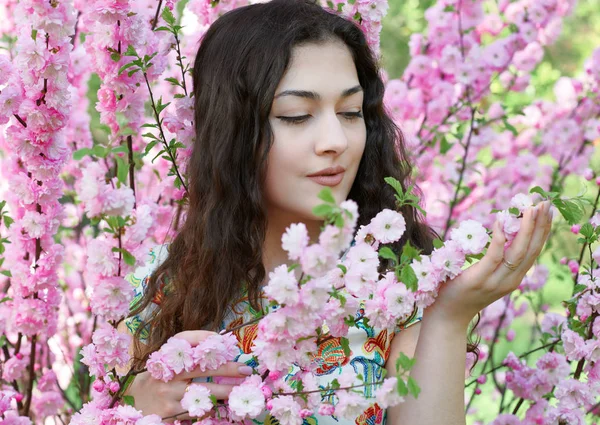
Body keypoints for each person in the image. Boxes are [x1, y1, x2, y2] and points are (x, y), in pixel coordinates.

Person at [116, 0, 553, 424]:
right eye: (297, 115)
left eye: (350, 112)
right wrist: (140, 406)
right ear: (232, 132)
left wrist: (450, 318)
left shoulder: (398, 291)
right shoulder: (161, 292)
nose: (336, 141)